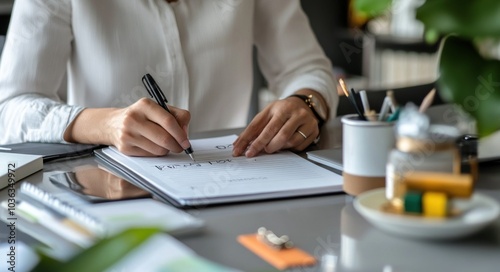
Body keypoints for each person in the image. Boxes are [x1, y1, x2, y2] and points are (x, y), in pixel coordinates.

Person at [0, 0, 338, 158]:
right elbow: (9, 108)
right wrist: (107, 125)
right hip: (107, 200)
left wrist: (305, 102)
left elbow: (307, 68)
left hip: (237, 187)